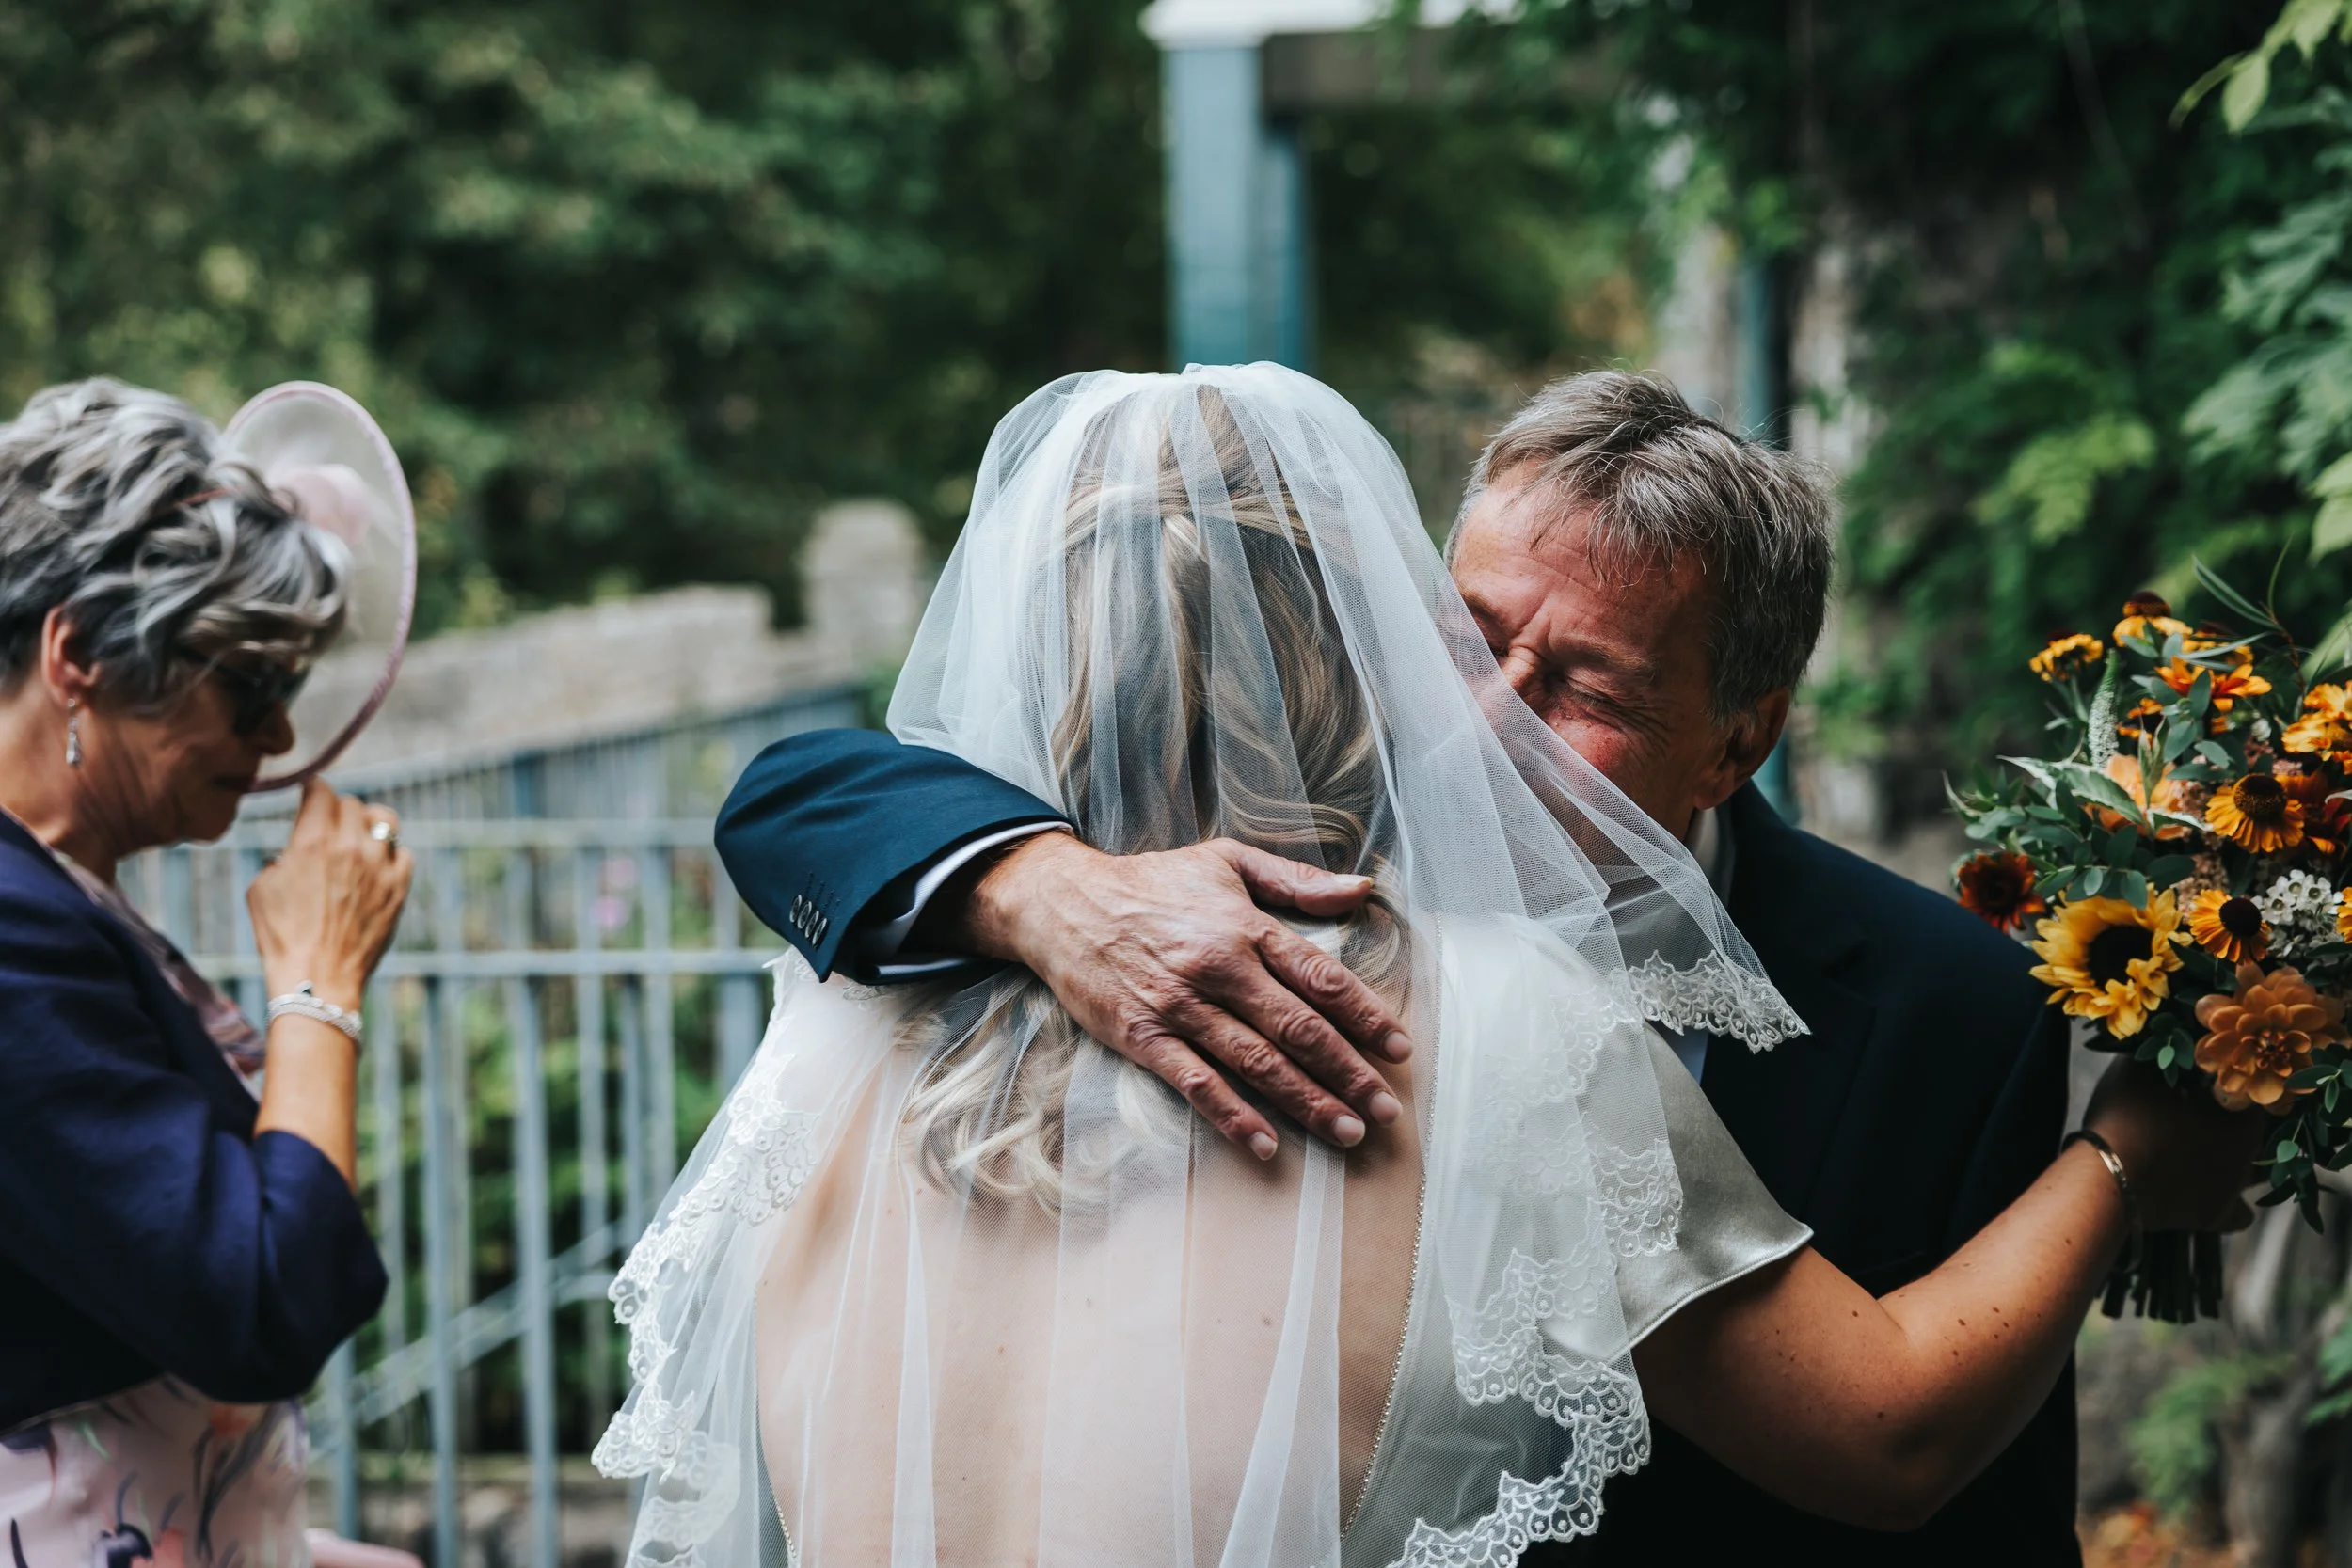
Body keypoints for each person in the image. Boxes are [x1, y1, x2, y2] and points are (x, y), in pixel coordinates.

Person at [598, 366, 2254, 1568]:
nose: (1481, 721)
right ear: (1365, 656)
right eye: (1454, 640)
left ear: (1743, 734)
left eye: (1580, 681)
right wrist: (1043, 895)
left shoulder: (841, 1031)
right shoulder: (1490, 1020)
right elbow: (1884, 1423)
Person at [0, 380, 412, 1568]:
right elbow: (257, 1301)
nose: (279, 741)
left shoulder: (59, 890)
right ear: (75, 652)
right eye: (250, 686)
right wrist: (318, 983)